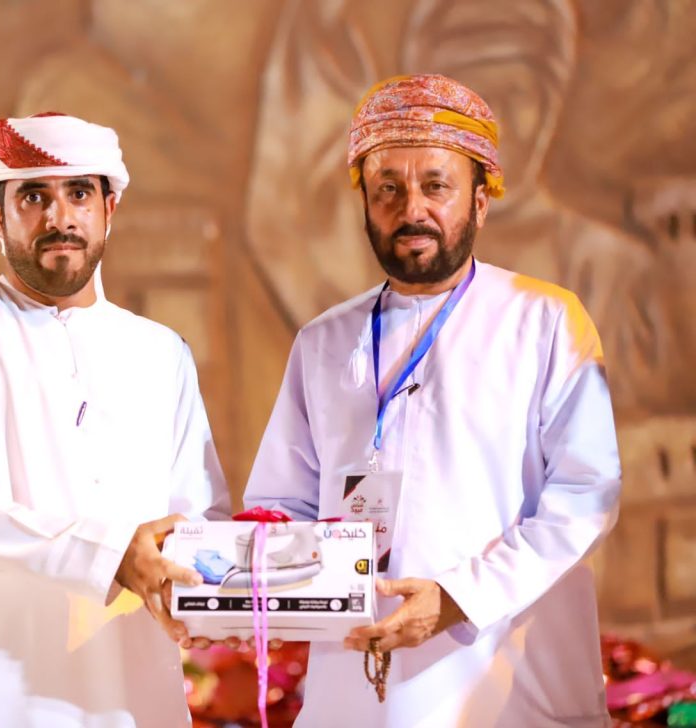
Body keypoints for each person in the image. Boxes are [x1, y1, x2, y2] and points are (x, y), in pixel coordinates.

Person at [244, 75, 621, 727]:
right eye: (387, 188)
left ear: (481, 199)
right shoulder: (323, 341)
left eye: (436, 186)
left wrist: (455, 599)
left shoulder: (546, 321)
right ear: (365, 202)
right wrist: (238, 585)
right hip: (351, 693)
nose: (410, 208)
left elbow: (586, 495)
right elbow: (284, 503)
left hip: (505, 688)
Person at [0, 112, 230, 728]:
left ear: (109, 208)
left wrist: (216, 597)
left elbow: (199, 516)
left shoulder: (160, 352)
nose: (60, 218)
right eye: (33, 197)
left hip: (131, 697)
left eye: (79, 194)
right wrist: (113, 555)